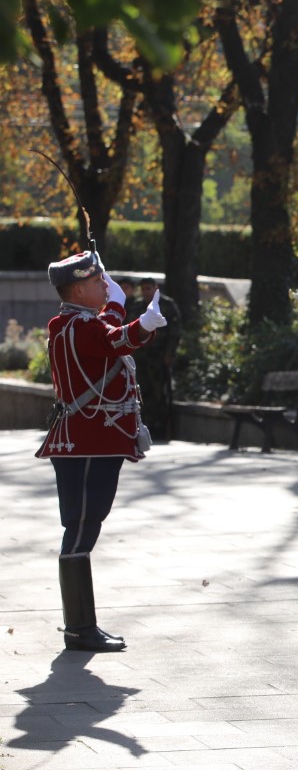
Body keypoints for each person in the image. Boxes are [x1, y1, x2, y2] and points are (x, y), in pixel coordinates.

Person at [38, 251, 168, 651]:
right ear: (78, 289)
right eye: (97, 282)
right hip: (88, 442)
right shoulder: (77, 327)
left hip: (88, 441)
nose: (106, 286)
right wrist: (144, 322)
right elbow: (115, 338)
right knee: (80, 529)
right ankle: (79, 628)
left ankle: (82, 625)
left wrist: (113, 303)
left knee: (84, 527)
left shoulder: (74, 323)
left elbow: (105, 328)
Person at [129, 277, 182, 442]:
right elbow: (129, 329)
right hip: (140, 358)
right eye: (143, 289)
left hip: (159, 358)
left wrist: (169, 354)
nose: (146, 292)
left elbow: (174, 331)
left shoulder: (167, 305)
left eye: (148, 288)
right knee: (142, 392)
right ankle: (143, 425)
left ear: (155, 288)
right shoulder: (137, 306)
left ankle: (160, 428)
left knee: (160, 393)